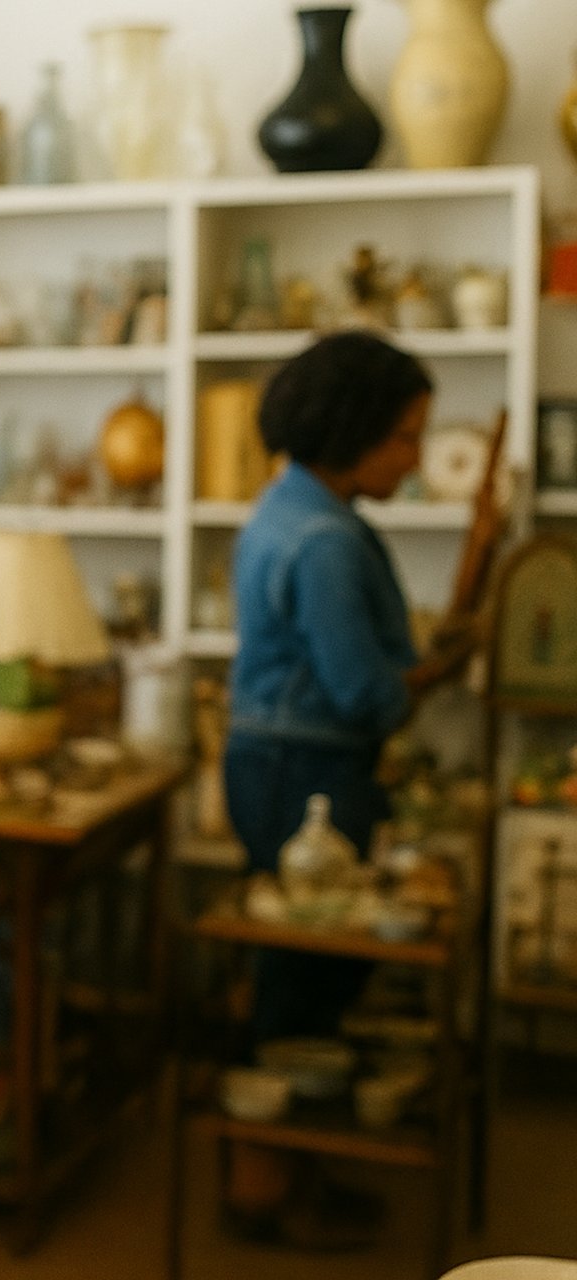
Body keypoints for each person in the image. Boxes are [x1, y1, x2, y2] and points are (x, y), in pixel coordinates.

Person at [221, 330, 471, 1247]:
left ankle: (276, 1168)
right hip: (309, 771)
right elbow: (367, 693)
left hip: (275, 761)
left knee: (290, 968)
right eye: (405, 436)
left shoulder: (285, 509)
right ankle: (266, 1187)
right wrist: (442, 669)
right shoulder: (325, 539)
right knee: (305, 974)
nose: (414, 456)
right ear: (355, 428)